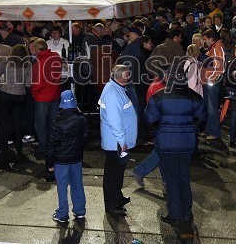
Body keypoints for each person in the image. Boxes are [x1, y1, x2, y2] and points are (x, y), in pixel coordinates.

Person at [145, 63, 206, 224]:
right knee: (184, 176)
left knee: (171, 178)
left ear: (168, 77)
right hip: (187, 143)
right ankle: (186, 213)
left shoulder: (158, 96)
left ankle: (174, 214)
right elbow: (202, 118)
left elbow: (149, 119)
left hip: (165, 143)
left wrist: (157, 132)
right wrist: (192, 129)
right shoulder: (194, 96)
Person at [99, 65, 138, 215]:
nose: (129, 77)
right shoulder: (113, 93)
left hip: (118, 142)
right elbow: (114, 121)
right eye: (128, 75)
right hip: (116, 143)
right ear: (123, 77)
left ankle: (118, 197)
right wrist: (122, 143)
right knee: (112, 174)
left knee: (118, 172)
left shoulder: (115, 89)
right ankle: (112, 205)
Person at [47, 90, 90, 223]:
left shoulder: (56, 121)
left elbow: (51, 145)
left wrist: (49, 163)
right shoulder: (81, 118)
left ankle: (62, 214)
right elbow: (86, 137)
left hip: (61, 161)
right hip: (76, 159)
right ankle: (80, 211)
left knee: (62, 187)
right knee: (77, 184)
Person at [0, 44, 32, 165]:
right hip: (19, 96)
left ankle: (3, 150)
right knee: (18, 125)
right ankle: (19, 151)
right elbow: (28, 84)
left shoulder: (6, 62)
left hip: (6, 94)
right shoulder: (27, 65)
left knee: (5, 122)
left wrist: (2, 87)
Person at [30, 39, 61, 158]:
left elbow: (37, 83)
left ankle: (44, 147)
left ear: (37, 49)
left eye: (32, 48)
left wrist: (34, 93)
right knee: (52, 123)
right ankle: (53, 144)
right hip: (55, 94)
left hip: (43, 97)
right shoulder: (56, 57)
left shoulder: (39, 62)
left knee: (40, 124)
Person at [200, 29, 225, 145]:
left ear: (211, 38)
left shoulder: (217, 47)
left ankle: (214, 132)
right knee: (208, 106)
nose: (205, 42)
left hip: (212, 83)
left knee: (211, 108)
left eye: (205, 39)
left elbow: (220, 67)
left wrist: (210, 78)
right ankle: (208, 130)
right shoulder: (214, 47)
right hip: (209, 82)